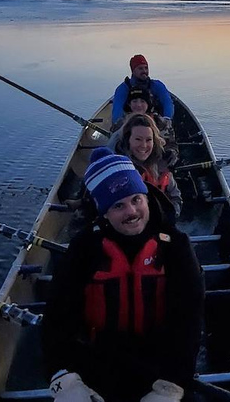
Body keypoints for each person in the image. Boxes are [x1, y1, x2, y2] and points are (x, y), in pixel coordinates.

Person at [42, 147, 204, 402]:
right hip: (96, 364)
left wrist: (173, 383)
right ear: (103, 211)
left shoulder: (175, 246)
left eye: (136, 200)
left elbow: (189, 319)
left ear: (146, 197)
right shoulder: (84, 248)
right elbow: (57, 318)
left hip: (160, 366)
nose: (131, 212)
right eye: (118, 205)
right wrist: (62, 375)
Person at [108, 113, 182, 218]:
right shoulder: (115, 171)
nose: (143, 146)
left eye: (148, 140)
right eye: (138, 139)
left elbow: (175, 197)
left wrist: (171, 215)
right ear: (128, 140)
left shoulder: (161, 164)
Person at [111, 54, 174, 130]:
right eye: (140, 68)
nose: (144, 71)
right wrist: (120, 123)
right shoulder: (123, 89)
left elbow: (167, 102)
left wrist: (167, 118)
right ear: (133, 71)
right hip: (129, 124)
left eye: (146, 68)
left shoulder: (157, 86)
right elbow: (117, 109)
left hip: (155, 124)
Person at [120, 87, 178, 166]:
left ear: (148, 104)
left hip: (157, 166)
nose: (138, 105)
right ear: (129, 104)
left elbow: (172, 145)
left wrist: (168, 157)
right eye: (134, 101)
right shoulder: (120, 124)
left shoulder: (161, 123)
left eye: (142, 101)